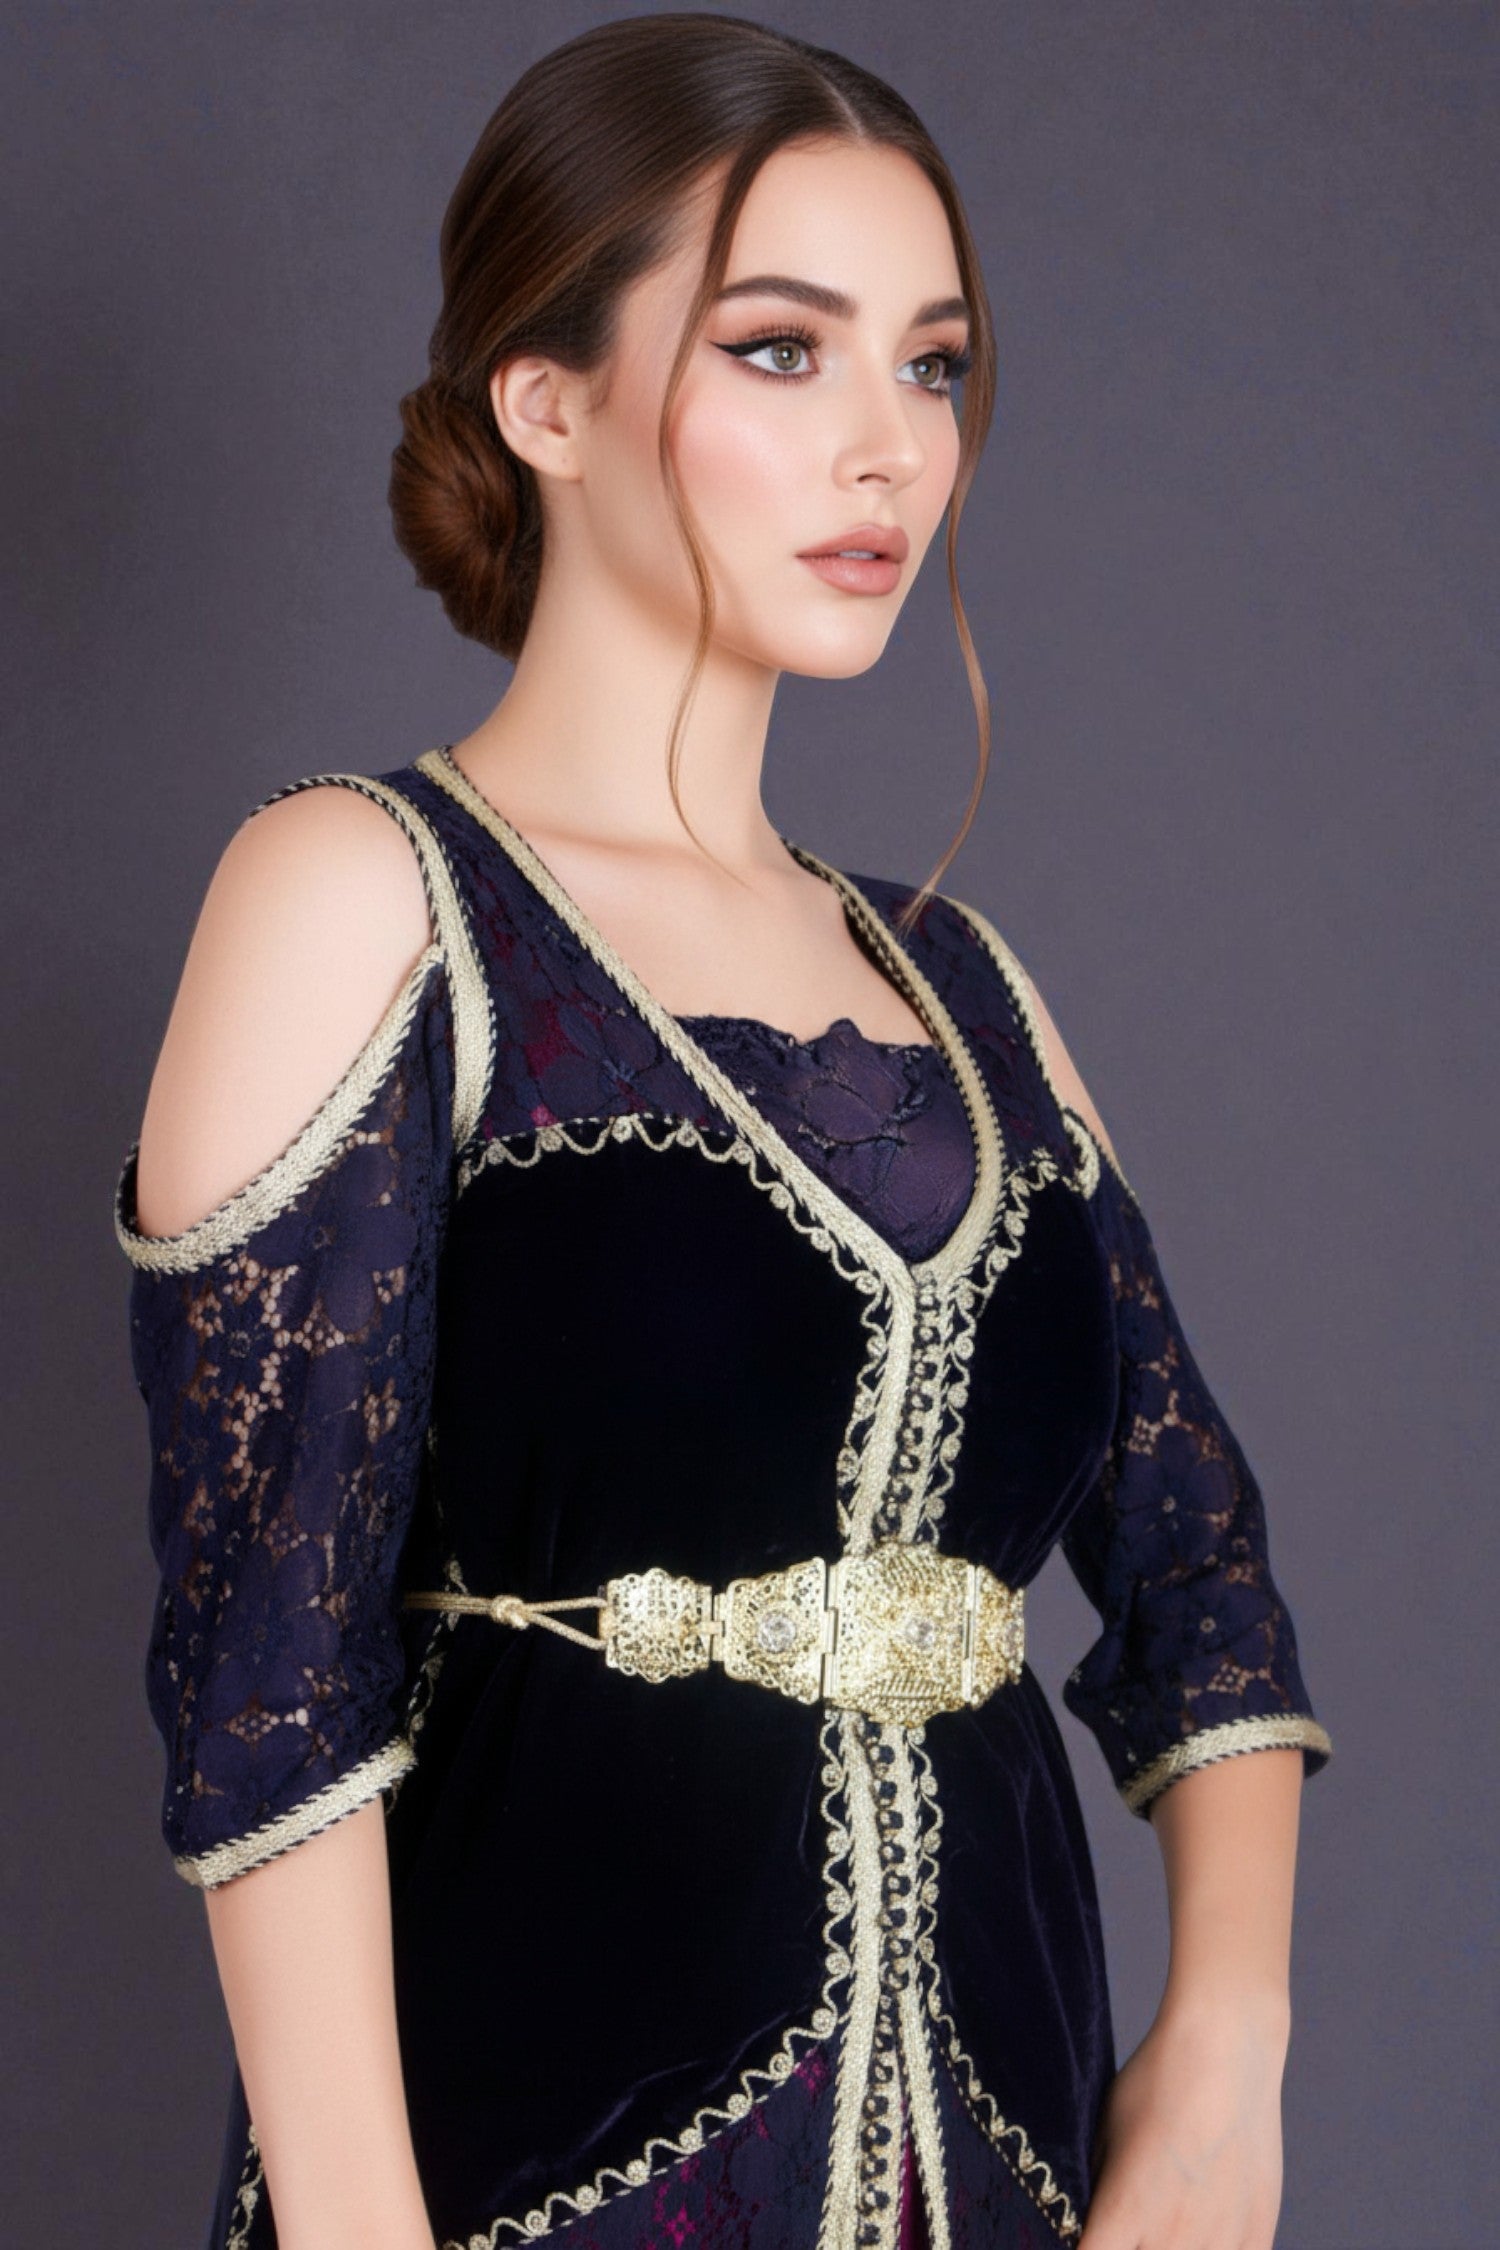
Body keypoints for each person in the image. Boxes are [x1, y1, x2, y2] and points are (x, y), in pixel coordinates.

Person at [113, 16, 1332, 2250]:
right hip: (534, 2170)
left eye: (934, 366)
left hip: (1003, 2160)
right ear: (545, 397)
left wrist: (1226, 2058)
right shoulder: (368, 898)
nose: (890, 448)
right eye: (784, 350)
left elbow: (1204, 1578)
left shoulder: (970, 990)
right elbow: (272, 1673)